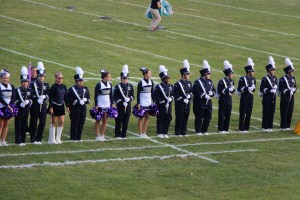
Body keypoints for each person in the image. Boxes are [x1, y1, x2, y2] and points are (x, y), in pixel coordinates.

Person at [66, 67, 90, 142]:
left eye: (81, 80)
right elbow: (69, 100)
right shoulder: (71, 89)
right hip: (74, 108)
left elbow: (88, 98)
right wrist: (78, 102)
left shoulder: (85, 88)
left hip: (83, 108)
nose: (81, 82)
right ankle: (73, 137)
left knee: (81, 122)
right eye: (79, 81)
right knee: (75, 122)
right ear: (76, 81)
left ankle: (79, 137)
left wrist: (86, 100)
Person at [193, 60, 215, 136]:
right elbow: (196, 91)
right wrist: (203, 95)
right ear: (205, 74)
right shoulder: (197, 82)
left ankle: (204, 130)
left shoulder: (210, 81)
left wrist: (212, 93)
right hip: (200, 103)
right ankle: (198, 131)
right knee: (199, 117)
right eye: (208, 74)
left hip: (208, 103)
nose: (210, 75)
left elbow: (213, 90)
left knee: (208, 116)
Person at [29, 62, 49, 144]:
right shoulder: (32, 84)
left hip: (43, 105)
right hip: (35, 105)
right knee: (34, 122)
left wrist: (45, 97)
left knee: (43, 122)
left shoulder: (46, 84)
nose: (42, 78)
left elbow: (48, 94)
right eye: (40, 76)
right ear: (38, 76)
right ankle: (33, 138)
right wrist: (36, 99)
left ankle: (39, 138)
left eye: (43, 76)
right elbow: (30, 94)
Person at [114, 65, 134, 139]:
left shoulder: (130, 86)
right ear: (121, 78)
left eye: (126, 78)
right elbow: (115, 97)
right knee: (119, 120)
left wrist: (129, 99)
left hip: (128, 106)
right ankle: (117, 134)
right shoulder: (117, 87)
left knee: (126, 120)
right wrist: (122, 101)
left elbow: (132, 96)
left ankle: (124, 134)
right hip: (120, 106)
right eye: (123, 78)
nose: (125, 80)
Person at [236, 58, 256, 133]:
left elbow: (253, 89)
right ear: (248, 72)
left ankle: (246, 127)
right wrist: (248, 88)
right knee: (243, 112)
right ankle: (241, 127)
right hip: (244, 97)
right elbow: (240, 88)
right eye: (252, 71)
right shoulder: (242, 78)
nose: (253, 73)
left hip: (251, 97)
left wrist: (252, 88)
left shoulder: (253, 79)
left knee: (249, 112)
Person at [14, 67, 33, 146]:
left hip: (26, 109)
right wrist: (19, 104)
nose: (25, 83)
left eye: (26, 82)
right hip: (19, 110)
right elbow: (14, 100)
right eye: (24, 82)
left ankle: (23, 140)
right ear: (21, 82)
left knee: (24, 124)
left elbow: (32, 99)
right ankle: (18, 140)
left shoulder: (30, 90)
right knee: (18, 124)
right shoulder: (17, 90)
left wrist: (29, 102)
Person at [174, 59, 193, 137]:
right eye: (187, 74)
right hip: (180, 104)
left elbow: (192, 91)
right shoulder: (177, 84)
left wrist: (190, 96)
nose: (189, 75)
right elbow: (176, 95)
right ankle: (178, 132)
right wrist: (183, 99)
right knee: (179, 117)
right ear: (183, 75)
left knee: (186, 116)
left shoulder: (189, 83)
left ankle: (183, 131)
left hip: (187, 103)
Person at [154, 65, 174, 138]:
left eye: (167, 78)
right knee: (161, 118)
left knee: (168, 118)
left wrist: (171, 99)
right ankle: (159, 132)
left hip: (169, 106)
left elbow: (173, 95)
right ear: (162, 79)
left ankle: (165, 132)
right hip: (161, 106)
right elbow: (157, 97)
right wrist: (163, 102)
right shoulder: (158, 87)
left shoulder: (171, 86)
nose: (167, 79)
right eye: (165, 78)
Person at [48, 72, 67, 144]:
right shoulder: (53, 87)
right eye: (59, 78)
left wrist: (67, 106)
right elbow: (51, 98)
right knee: (54, 122)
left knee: (61, 122)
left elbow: (65, 97)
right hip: (54, 105)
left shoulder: (64, 86)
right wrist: (51, 107)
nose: (60, 79)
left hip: (61, 105)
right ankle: (51, 139)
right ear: (55, 78)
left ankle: (58, 138)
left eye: (61, 78)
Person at [94, 69, 114, 142]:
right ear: (105, 77)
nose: (110, 78)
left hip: (107, 105)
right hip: (100, 105)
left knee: (105, 120)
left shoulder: (110, 84)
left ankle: (102, 135)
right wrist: (96, 105)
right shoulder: (99, 85)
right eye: (109, 76)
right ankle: (97, 135)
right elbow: (95, 96)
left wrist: (112, 103)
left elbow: (111, 95)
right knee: (98, 120)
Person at [259, 56, 277, 132]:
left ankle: (270, 126)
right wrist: (270, 91)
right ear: (269, 71)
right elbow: (262, 89)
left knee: (272, 111)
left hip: (273, 97)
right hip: (267, 97)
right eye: (273, 70)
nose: (274, 71)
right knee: (266, 111)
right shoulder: (264, 78)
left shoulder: (275, 78)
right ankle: (264, 127)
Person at [279, 58, 297, 130]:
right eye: (292, 71)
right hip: (285, 97)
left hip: (291, 96)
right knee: (284, 110)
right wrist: (288, 91)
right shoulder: (282, 79)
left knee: (290, 110)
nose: (292, 72)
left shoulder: (293, 78)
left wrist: (294, 90)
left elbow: (295, 86)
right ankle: (283, 125)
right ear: (288, 72)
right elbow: (281, 89)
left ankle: (288, 125)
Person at [217, 60, 235, 134]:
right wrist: (228, 89)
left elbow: (232, 91)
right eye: (232, 74)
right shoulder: (222, 81)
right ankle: (221, 129)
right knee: (222, 114)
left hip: (229, 99)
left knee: (228, 114)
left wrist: (232, 90)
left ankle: (226, 128)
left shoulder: (232, 81)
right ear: (228, 74)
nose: (233, 75)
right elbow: (220, 91)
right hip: (223, 99)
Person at [137, 67, 154, 138]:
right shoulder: (141, 82)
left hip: (149, 102)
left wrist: (153, 101)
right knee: (141, 117)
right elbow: (138, 93)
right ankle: (140, 133)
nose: (151, 74)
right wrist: (138, 103)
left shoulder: (151, 82)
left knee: (147, 117)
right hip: (142, 102)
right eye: (149, 73)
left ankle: (144, 132)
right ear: (145, 74)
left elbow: (152, 92)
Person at [0, 69, 15, 146]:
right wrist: (7, 105)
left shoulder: (11, 86)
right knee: (1, 124)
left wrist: (11, 105)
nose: (5, 79)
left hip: (9, 107)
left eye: (7, 78)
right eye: (4, 78)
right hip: (1, 107)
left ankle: (3, 140)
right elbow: (0, 98)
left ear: (9, 78)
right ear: (1, 78)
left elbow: (13, 97)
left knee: (6, 124)